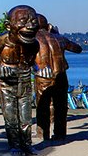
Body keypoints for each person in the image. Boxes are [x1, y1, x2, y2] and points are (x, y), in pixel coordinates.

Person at [0, 5, 42, 156]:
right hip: (6, 84)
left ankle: (27, 144)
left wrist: (37, 68)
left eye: (33, 21)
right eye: (23, 21)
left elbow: (32, 62)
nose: (29, 26)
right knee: (10, 117)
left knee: (26, 116)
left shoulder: (33, 44)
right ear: (9, 26)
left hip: (25, 81)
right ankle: (14, 145)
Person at [30, 12, 82, 145]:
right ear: (48, 26)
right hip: (61, 74)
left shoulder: (31, 39)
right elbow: (78, 49)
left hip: (43, 76)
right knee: (61, 106)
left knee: (42, 106)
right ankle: (60, 133)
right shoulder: (59, 38)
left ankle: (43, 134)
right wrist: (56, 34)